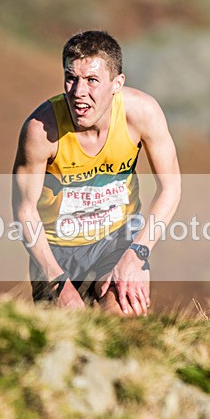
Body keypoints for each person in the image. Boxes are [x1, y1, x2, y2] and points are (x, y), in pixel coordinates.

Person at [12, 30, 181, 315]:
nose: (79, 92)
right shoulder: (41, 130)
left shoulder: (141, 113)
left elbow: (171, 189)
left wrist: (136, 254)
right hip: (56, 250)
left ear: (117, 84)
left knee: (123, 321)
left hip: (118, 240)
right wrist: (56, 281)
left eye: (92, 80)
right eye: (71, 78)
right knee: (66, 339)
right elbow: (24, 210)